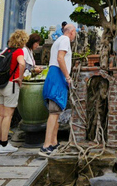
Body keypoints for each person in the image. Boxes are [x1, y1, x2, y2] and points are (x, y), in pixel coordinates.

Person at [40, 23, 77, 157]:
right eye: (75, 32)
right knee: (54, 112)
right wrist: (67, 76)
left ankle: (54, 142)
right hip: (58, 76)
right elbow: (60, 58)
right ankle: (46, 145)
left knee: (57, 111)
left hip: (54, 74)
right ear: (71, 32)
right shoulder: (65, 40)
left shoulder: (58, 40)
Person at [0, 29, 28, 154]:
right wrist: (20, 77)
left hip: (0, 85)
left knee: (0, 114)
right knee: (8, 115)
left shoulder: (7, 51)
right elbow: (22, 63)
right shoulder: (19, 51)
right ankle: (4, 144)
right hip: (11, 85)